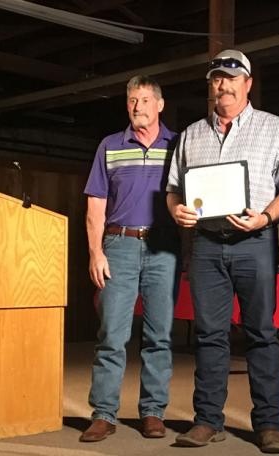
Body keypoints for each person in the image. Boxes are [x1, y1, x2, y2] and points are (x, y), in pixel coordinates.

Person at [166, 49, 279, 454]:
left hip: (255, 243)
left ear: (248, 83)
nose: (223, 85)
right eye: (217, 78)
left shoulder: (274, 129)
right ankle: (207, 420)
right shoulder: (191, 134)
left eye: (231, 78)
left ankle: (269, 425)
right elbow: (173, 190)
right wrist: (176, 211)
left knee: (262, 334)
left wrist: (265, 218)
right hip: (206, 245)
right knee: (209, 336)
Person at [80, 75, 180, 442]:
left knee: (159, 336)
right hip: (118, 246)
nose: (138, 107)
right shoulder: (110, 145)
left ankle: (153, 412)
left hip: (164, 248)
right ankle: (103, 414)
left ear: (160, 104)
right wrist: (95, 252)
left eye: (145, 100)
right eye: (132, 101)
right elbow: (95, 204)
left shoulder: (178, 145)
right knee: (111, 335)